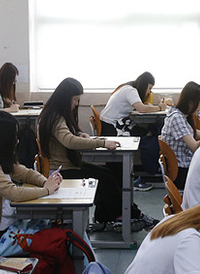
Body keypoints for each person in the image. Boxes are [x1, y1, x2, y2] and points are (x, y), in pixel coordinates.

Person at [38, 77, 158, 231]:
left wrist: (80, 134)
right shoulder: (54, 117)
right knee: (106, 179)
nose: (76, 104)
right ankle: (127, 215)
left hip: (69, 165)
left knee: (109, 175)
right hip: (62, 171)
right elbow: (69, 141)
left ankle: (110, 217)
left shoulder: (55, 114)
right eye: (74, 100)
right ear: (64, 98)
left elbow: (70, 135)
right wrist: (101, 142)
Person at [0, 110, 62, 254]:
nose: (17, 140)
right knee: (60, 239)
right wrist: (46, 190)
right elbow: (13, 193)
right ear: (1, 138)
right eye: (13, 136)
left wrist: (46, 182)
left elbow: (25, 173)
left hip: (9, 225)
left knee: (61, 230)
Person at [99, 71, 171, 191]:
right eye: (149, 88)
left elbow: (140, 106)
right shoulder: (130, 90)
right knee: (149, 135)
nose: (149, 92)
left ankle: (147, 169)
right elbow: (141, 109)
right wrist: (159, 107)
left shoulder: (129, 89)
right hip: (112, 128)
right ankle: (144, 172)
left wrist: (148, 105)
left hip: (114, 123)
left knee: (148, 132)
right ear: (144, 85)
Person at [159, 81, 200, 189]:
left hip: (185, 167)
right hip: (182, 172)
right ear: (191, 102)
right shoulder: (177, 117)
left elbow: (195, 133)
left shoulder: (181, 115)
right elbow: (194, 147)